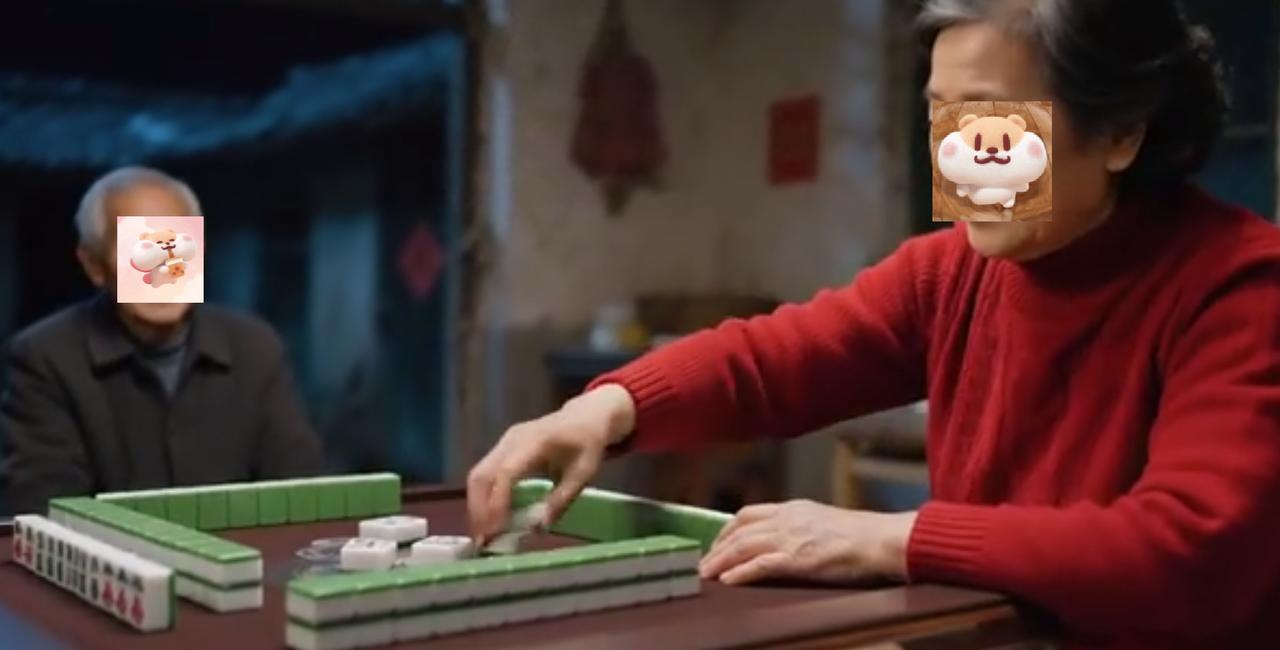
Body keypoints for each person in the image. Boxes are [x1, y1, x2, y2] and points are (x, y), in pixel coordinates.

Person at [466, 1, 1280, 647]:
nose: (960, 158)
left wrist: (892, 540)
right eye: (941, 117)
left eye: (991, 121)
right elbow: (778, 360)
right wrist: (607, 408)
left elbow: (1188, 553)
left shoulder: (1240, 286)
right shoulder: (952, 271)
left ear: (1123, 131)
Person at [0, 166, 325, 514]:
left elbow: (302, 496)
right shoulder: (45, 356)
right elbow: (44, 513)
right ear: (94, 265)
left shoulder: (254, 347)